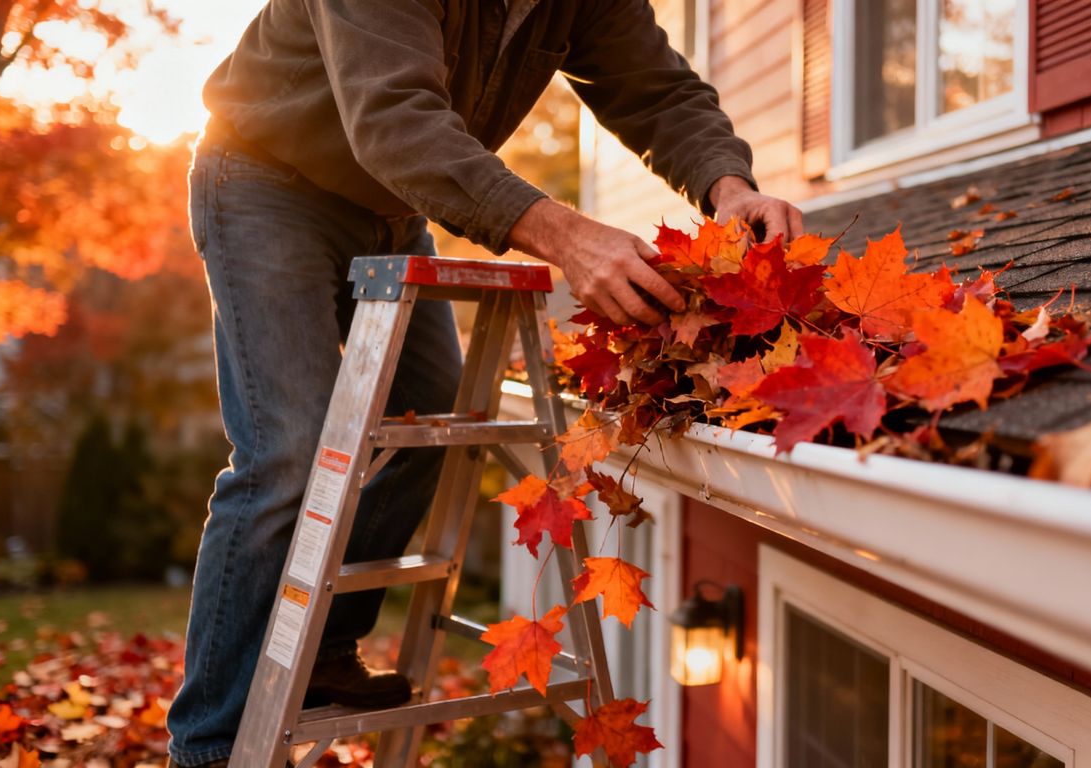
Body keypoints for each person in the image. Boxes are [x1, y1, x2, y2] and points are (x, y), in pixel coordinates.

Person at [165, 0, 804, 765]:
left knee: (432, 415)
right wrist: (565, 235)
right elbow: (395, 118)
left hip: (393, 206)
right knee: (288, 453)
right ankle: (204, 744)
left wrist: (727, 187)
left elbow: (656, 88)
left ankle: (322, 649)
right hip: (268, 180)